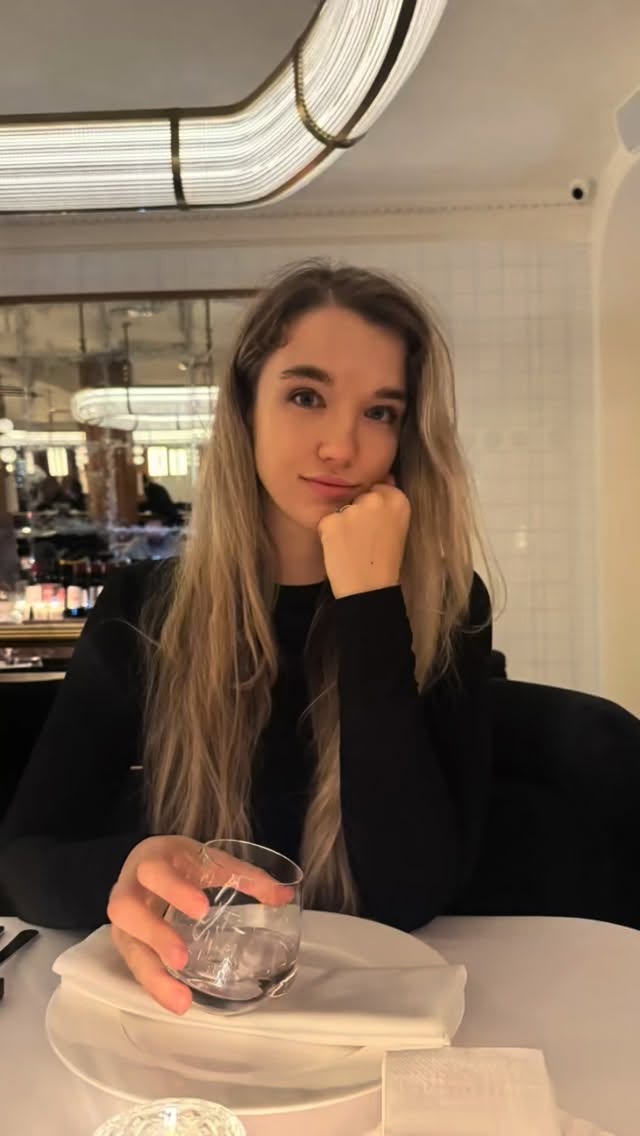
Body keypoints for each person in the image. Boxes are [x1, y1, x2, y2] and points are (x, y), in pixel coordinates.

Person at [0, 261, 492, 1016]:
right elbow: (23, 862)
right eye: (306, 397)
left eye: (380, 412)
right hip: (184, 1010)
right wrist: (130, 867)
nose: (341, 447)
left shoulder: (448, 609)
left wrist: (370, 605)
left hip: (368, 1010)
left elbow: (409, 893)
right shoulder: (144, 608)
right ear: (245, 409)